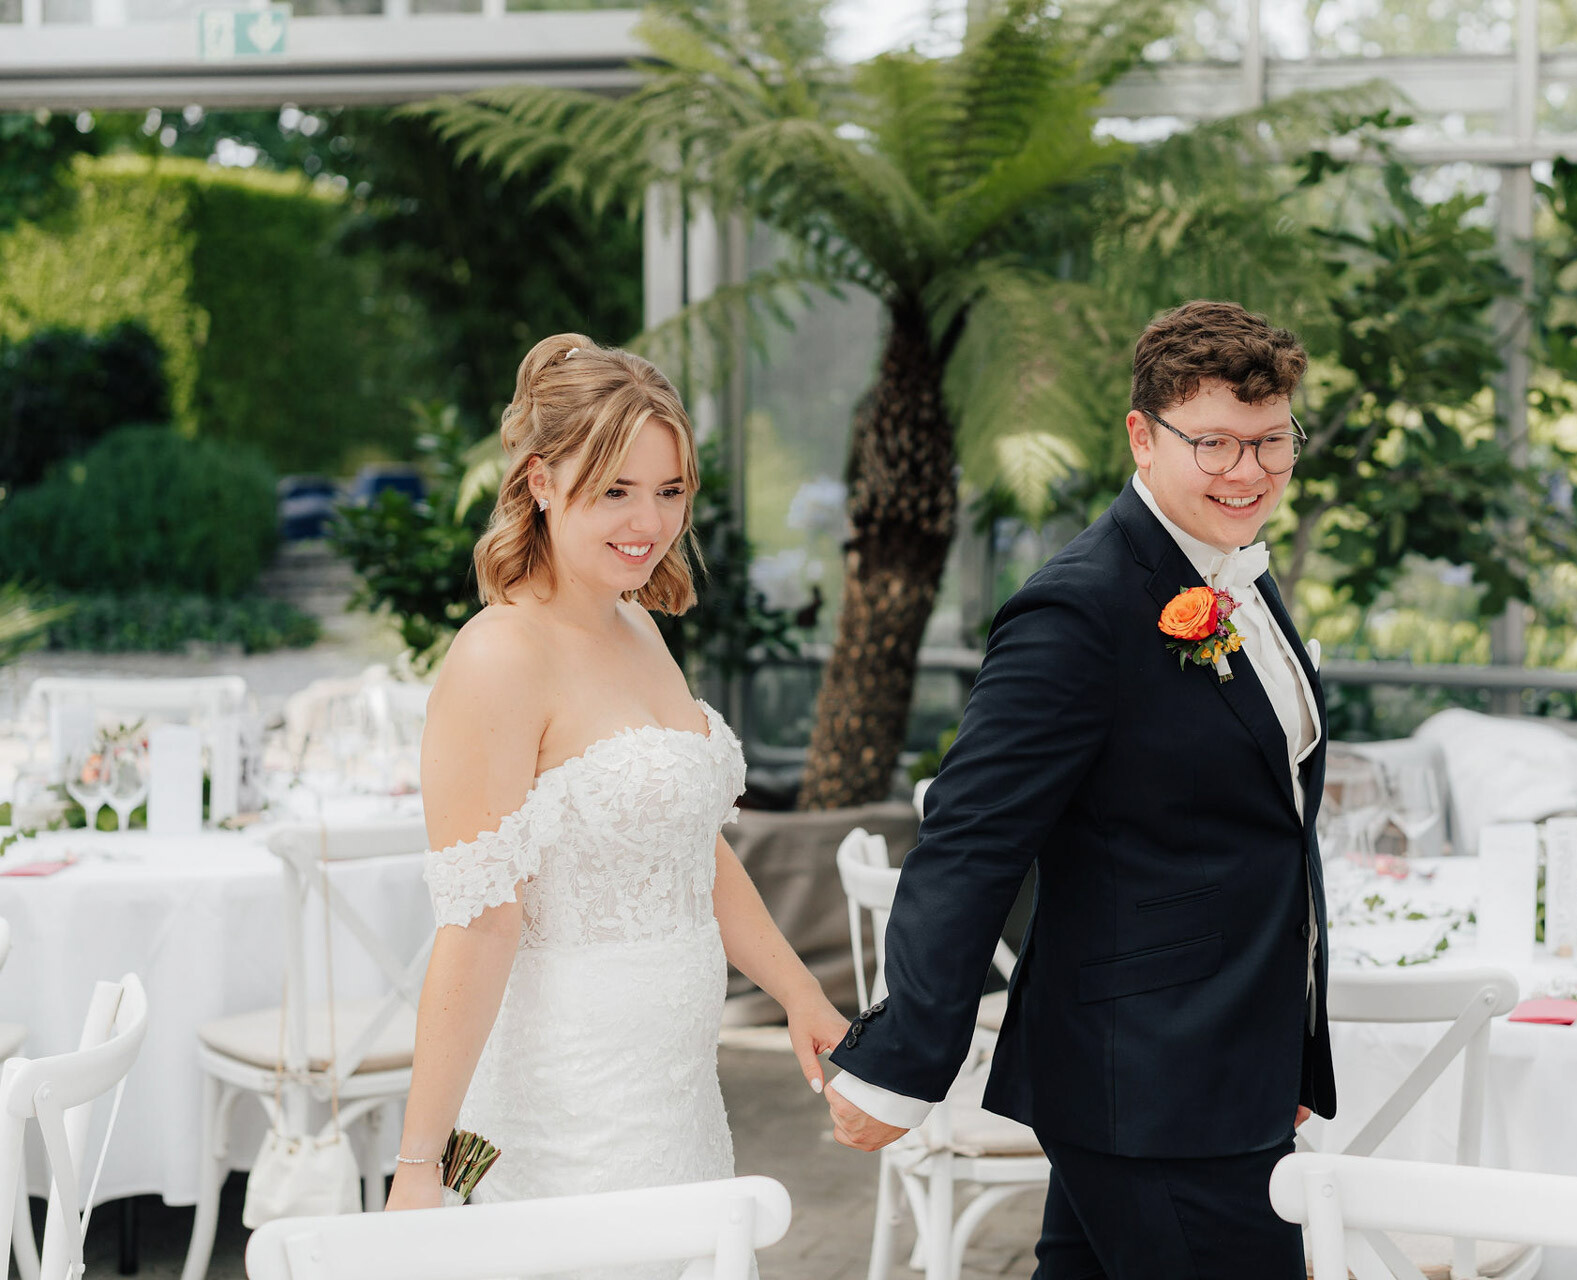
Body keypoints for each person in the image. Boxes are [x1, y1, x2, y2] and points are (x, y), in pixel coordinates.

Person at [823, 301, 1334, 1279]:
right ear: (1143, 437)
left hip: (1211, 1066)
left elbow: (1253, 830)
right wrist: (898, 1062)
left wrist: (1288, 1049)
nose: (1250, 470)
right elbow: (971, 838)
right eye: (1215, 442)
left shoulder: (1237, 568)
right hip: (1153, 1082)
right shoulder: (1080, 606)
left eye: (1272, 441)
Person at [386, 335, 848, 1262]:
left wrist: (801, 991)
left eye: (670, 491)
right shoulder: (499, 656)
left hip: (674, 1093)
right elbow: (478, 926)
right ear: (542, 482)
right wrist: (418, 1166)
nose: (650, 523)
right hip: (566, 1099)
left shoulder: (636, 624)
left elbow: (686, 846)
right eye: (616, 492)